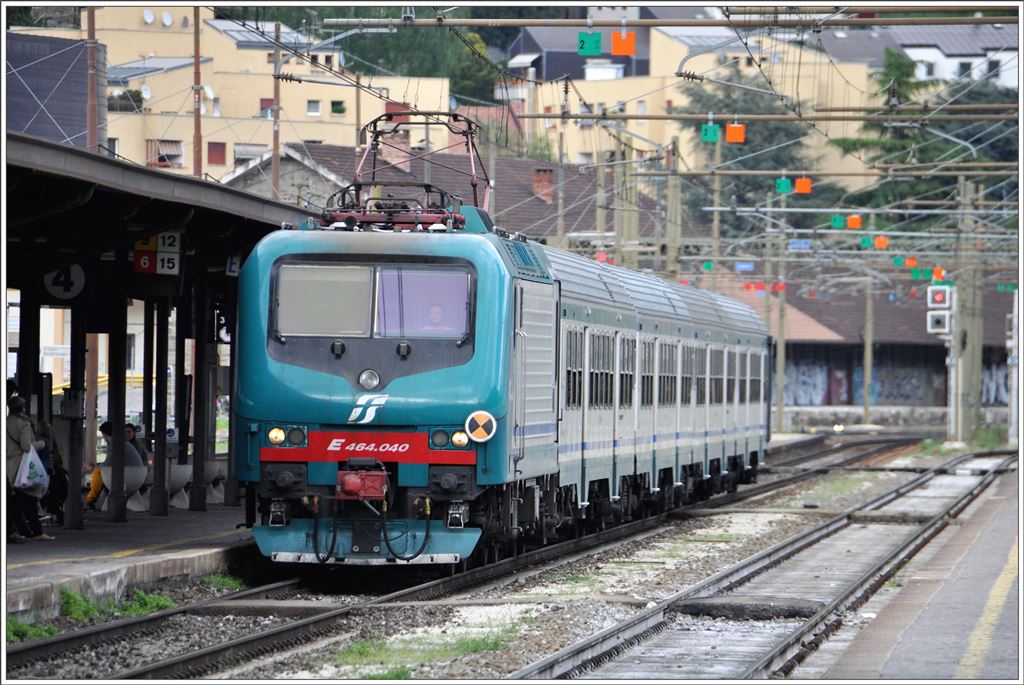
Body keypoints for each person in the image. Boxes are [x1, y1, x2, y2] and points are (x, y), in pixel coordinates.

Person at [5, 395, 53, 541]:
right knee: (30, 499)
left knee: (13, 501)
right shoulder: (23, 423)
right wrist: (41, 444)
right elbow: (26, 446)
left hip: (9, 465)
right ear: (23, 408)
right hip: (23, 465)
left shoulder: (5, 421)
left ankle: (21, 530)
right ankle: (37, 531)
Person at [86, 421, 144, 509]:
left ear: (107, 434)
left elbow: (107, 465)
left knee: (97, 472)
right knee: (98, 471)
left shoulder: (115, 444)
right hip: (137, 476)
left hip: (128, 478)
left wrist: (93, 468)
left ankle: (91, 500)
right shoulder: (124, 443)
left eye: (104, 436)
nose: (104, 439)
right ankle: (92, 499)